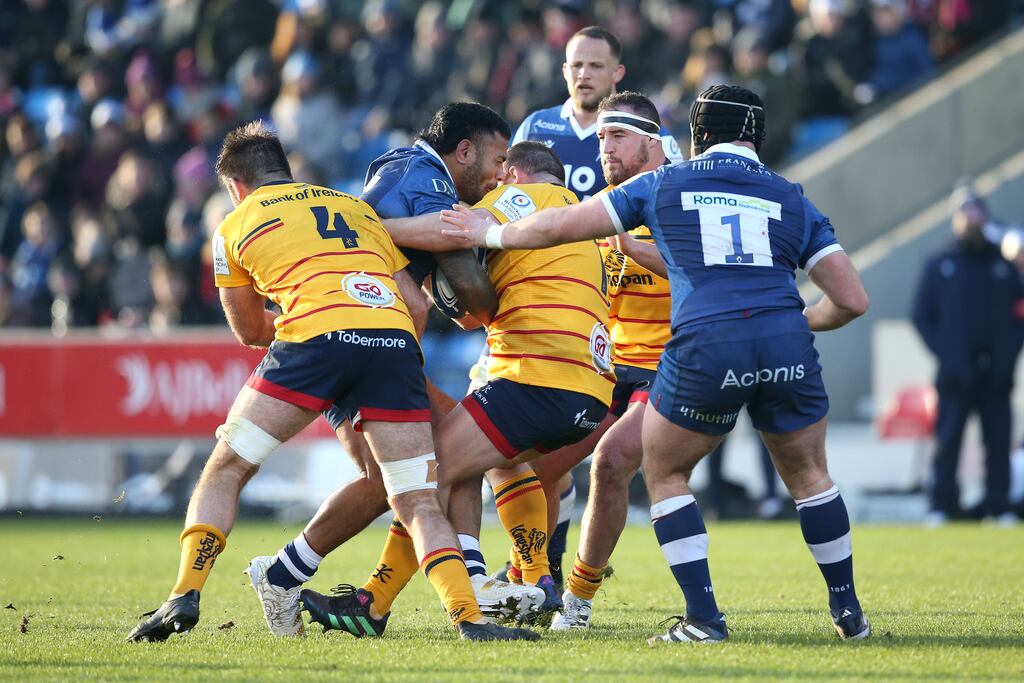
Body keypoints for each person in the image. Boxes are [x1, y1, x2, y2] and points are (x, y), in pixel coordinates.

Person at [439, 84, 872, 643]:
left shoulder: (663, 185)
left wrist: (489, 231)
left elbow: (558, 227)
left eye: (616, 135)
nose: (605, 149)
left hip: (700, 349)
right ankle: (849, 614)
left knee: (662, 473)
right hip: (771, 343)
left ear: (693, 136)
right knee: (811, 476)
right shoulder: (791, 195)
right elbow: (853, 299)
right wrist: (793, 320)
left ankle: (702, 619)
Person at [126, 121, 536, 643]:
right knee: (415, 497)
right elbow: (414, 303)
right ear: (288, 171)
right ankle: (469, 618)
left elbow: (251, 330)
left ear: (236, 187)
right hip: (390, 343)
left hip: (313, 342)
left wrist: (324, 330)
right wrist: (374, 349)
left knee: (227, 467)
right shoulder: (354, 207)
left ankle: (184, 593)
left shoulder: (232, 226)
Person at [248, 102, 547, 634]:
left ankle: (302, 576)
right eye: (498, 159)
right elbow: (472, 292)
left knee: (422, 467)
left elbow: (393, 246)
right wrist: (481, 257)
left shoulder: (409, 173)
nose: (502, 173)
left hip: (373, 346)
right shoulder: (419, 173)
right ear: (464, 151)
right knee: (414, 472)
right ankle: (307, 579)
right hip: (364, 344)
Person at [293, 141, 614, 634]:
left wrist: (366, 226)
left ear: (514, 176)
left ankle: (372, 604)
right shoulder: (584, 225)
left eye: (497, 176)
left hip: (536, 378)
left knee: (422, 475)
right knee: (492, 461)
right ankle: (528, 578)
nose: (490, 185)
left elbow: (449, 227)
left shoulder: (518, 202)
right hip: (590, 392)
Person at [503, 25, 683, 591]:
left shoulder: (663, 174)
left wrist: (630, 243)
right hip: (588, 325)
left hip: (664, 359)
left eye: (595, 65)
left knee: (617, 464)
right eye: (575, 65)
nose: (583, 74)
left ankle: (573, 589)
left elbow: (688, 261)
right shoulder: (536, 128)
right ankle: (538, 577)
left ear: (616, 72)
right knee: (529, 468)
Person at [912, 185, 1024, 526]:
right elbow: (922, 316)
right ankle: (942, 504)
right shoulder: (940, 263)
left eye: (977, 212)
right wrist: (948, 356)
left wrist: (1006, 360)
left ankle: (998, 505)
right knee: (948, 442)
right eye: (966, 213)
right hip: (955, 375)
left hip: (997, 375)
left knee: (998, 441)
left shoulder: (1004, 267)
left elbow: (1018, 317)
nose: (972, 220)